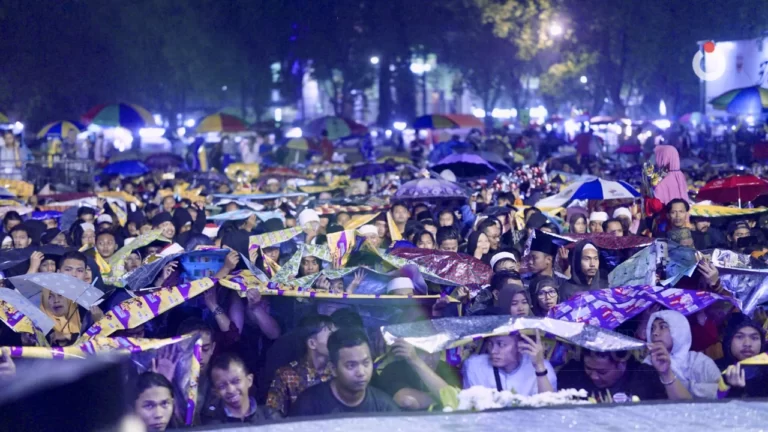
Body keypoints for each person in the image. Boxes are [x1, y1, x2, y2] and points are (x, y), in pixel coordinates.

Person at [290, 328, 400, 416]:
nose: (361, 372)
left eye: (366, 363)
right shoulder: (308, 405)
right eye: (351, 366)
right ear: (333, 369)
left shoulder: (385, 407)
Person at [266, 315, 336, 418]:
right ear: (312, 343)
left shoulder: (338, 371)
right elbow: (272, 412)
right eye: (331, 337)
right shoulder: (286, 375)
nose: (336, 341)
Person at [643, 310, 720, 398]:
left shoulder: (699, 361)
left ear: (679, 331)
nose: (654, 333)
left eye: (663, 327)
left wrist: (686, 386)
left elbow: (721, 392)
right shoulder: (648, 363)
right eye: (652, 328)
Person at [557, 349, 673, 402]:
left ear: (622, 364)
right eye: (588, 368)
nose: (594, 376)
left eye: (602, 372)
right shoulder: (571, 374)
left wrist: (666, 374)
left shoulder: (645, 378)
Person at [462, 330, 556, 395]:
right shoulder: (475, 366)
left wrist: (539, 368)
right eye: (490, 344)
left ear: (520, 345)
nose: (493, 351)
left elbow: (549, 409)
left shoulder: (543, 366)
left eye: (501, 344)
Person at [202, 353, 267, 425]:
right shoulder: (212, 426)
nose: (231, 390)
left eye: (236, 381)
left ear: (249, 380)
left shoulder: (270, 418)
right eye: (222, 386)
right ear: (216, 391)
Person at [718, 313, 768, 398]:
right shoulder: (713, 370)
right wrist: (734, 390)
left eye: (754, 338)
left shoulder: (765, 370)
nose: (747, 344)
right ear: (729, 341)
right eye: (739, 337)